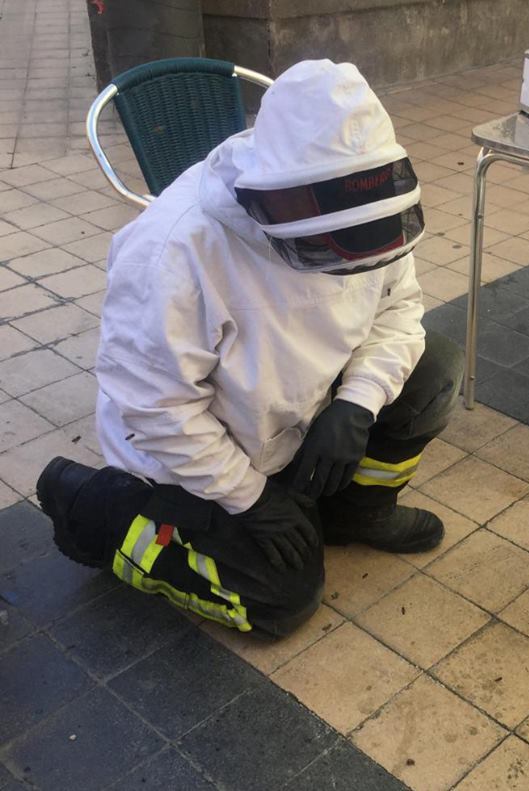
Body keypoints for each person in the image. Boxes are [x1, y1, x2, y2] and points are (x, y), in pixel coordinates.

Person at [37, 60, 464, 637]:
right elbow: (156, 408)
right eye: (328, 249)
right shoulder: (173, 251)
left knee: (435, 369)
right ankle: (99, 510)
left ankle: (356, 512)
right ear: (280, 202)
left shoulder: (366, 206)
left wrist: (357, 404)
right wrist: (251, 498)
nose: (345, 263)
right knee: (278, 603)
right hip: (203, 454)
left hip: (305, 410)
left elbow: (399, 308)